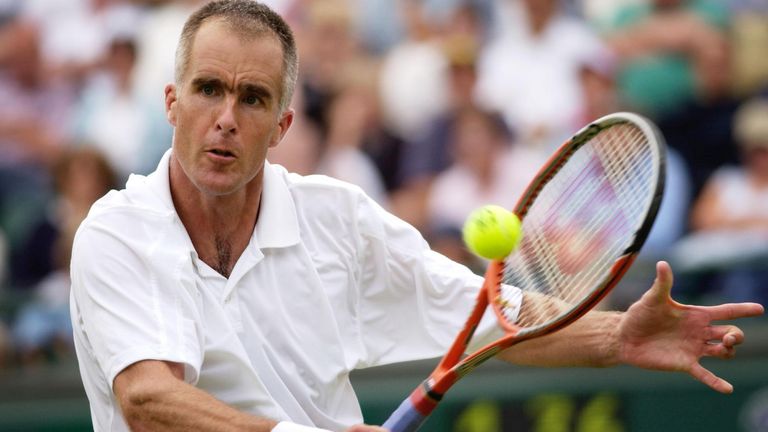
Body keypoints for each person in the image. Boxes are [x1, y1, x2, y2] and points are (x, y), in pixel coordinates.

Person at [68, 2, 764, 432]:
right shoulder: (115, 233)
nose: (225, 118)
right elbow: (149, 402)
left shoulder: (335, 219)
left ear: (281, 125)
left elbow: (490, 311)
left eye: (251, 99)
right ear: (170, 101)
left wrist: (617, 334)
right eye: (208, 89)